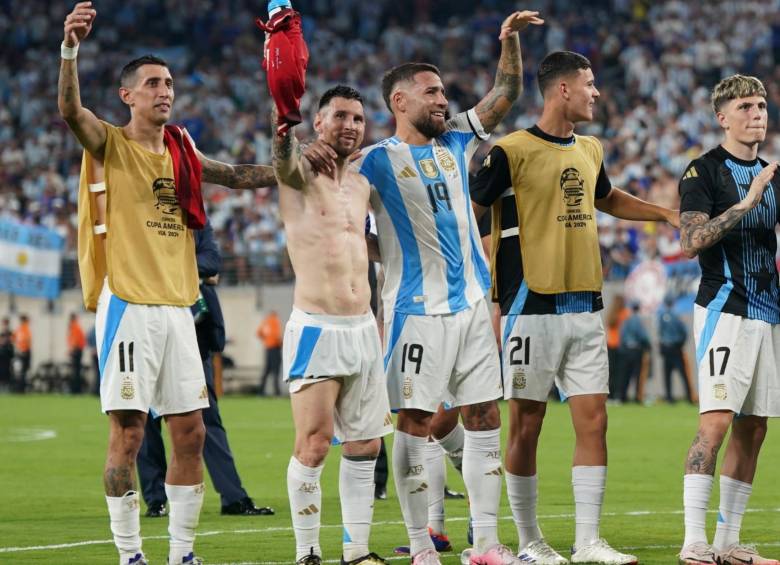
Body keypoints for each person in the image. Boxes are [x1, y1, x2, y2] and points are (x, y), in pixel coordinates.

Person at [58, 4, 277, 564]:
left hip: (181, 308)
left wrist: (296, 164)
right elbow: (69, 110)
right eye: (153, 83)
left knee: (191, 435)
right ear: (127, 94)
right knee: (129, 436)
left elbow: (240, 176)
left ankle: (182, 554)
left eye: (169, 82)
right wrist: (70, 49)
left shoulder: (183, 150)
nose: (165, 90)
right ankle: (131, 554)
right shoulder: (110, 143)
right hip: (129, 305)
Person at [344, 11, 544, 565]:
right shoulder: (374, 162)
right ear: (399, 102)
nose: (442, 99)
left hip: (474, 308)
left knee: (483, 415)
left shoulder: (456, 139)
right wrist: (385, 253)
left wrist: (508, 43)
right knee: (413, 423)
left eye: (443, 91)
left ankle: (484, 542)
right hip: (416, 312)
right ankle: (418, 548)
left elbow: (505, 93)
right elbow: (337, 227)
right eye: (430, 92)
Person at [471, 51, 678, 564]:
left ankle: (588, 542)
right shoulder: (509, 152)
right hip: (529, 301)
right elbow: (471, 213)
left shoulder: (590, 148)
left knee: (595, 420)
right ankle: (529, 542)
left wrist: (666, 215)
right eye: (589, 84)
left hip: (585, 302)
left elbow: (606, 197)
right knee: (527, 423)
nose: (596, 92)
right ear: (562, 90)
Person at [272, 84, 393, 565]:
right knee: (316, 443)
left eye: (358, 119)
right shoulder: (299, 172)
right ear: (318, 123)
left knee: (365, 446)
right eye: (340, 116)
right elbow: (281, 155)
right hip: (317, 327)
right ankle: (307, 553)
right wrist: (287, 130)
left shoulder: (363, 182)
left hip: (363, 327)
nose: (350, 125)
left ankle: (357, 553)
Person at [677, 74, 780, 565]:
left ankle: (728, 543)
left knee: (754, 428)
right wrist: (747, 201)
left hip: (767, 313)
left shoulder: (771, 174)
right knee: (715, 424)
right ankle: (693, 541)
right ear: (723, 117)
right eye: (745, 106)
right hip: (724, 309)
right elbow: (691, 241)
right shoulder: (704, 172)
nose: (757, 113)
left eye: (761, 104)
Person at [137, 220, 275, 519]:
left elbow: (212, 261)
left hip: (195, 336)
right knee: (147, 421)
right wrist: (195, 275)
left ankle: (233, 498)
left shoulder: (196, 220)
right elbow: (143, 264)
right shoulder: (144, 217)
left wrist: (173, 270)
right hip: (151, 328)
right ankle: (155, 498)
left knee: (208, 417)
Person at [657, 296, 695, 404]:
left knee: (667, 374)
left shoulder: (661, 316)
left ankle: (669, 397)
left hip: (666, 348)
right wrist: (680, 344)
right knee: (683, 374)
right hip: (676, 348)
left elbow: (660, 332)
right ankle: (689, 397)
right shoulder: (676, 316)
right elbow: (684, 332)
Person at [617, 303, 651, 403]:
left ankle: (623, 396)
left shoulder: (626, 320)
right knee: (637, 374)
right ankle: (637, 397)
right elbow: (643, 335)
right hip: (636, 350)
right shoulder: (638, 320)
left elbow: (622, 335)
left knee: (625, 374)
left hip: (626, 350)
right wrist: (648, 345)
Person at [257, 310, 283, 396]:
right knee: (276, 371)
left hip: (268, 349)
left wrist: (266, 340)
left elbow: (259, 333)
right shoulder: (275, 321)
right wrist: (281, 344)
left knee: (267, 370)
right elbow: (276, 335)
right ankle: (277, 392)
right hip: (275, 348)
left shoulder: (266, 321)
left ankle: (261, 391)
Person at [67, 312, 87, 393]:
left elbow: (74, 340)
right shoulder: (75, 327)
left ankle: (75, 389)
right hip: (78, 350)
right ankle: (76, 389)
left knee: (75, 371)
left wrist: (72, 350)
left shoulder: (74, 327)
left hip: (76, 351)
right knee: (77, 371)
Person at [12, 314, 31, 393]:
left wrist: (17, 347)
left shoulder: (20, 329)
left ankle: (20, 388)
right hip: (24, 352)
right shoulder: (25, 328)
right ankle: (21, 389)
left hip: (21, 352)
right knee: (23, 372)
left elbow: (13, 338)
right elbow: (27, 340)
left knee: (21, 372)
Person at [0, 318, 13, 392]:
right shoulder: (2, 333)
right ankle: (2, 387)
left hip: (7, 357)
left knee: (7, 372)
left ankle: (6, 387)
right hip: (2, 357)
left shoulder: (10, 333)